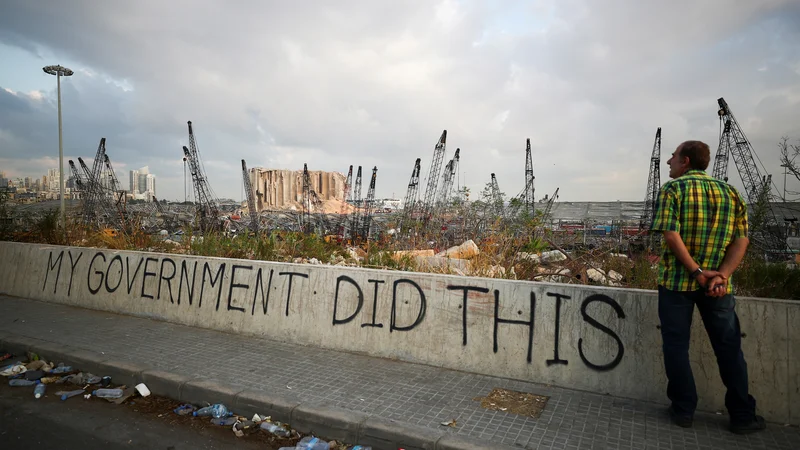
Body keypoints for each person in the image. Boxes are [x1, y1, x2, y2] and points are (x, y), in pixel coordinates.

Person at [650, 140, 765, 434]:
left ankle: (683, 409)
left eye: (672, 157)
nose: (668, 162)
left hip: (678, 283)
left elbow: (671, 235)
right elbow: (742, 240)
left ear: (685, 161)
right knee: (728, 348)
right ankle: (742, 415)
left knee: (676, 346)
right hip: (718, 288)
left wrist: (697, 272)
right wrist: (721, 275)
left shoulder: (673, 190)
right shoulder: (731, 193)